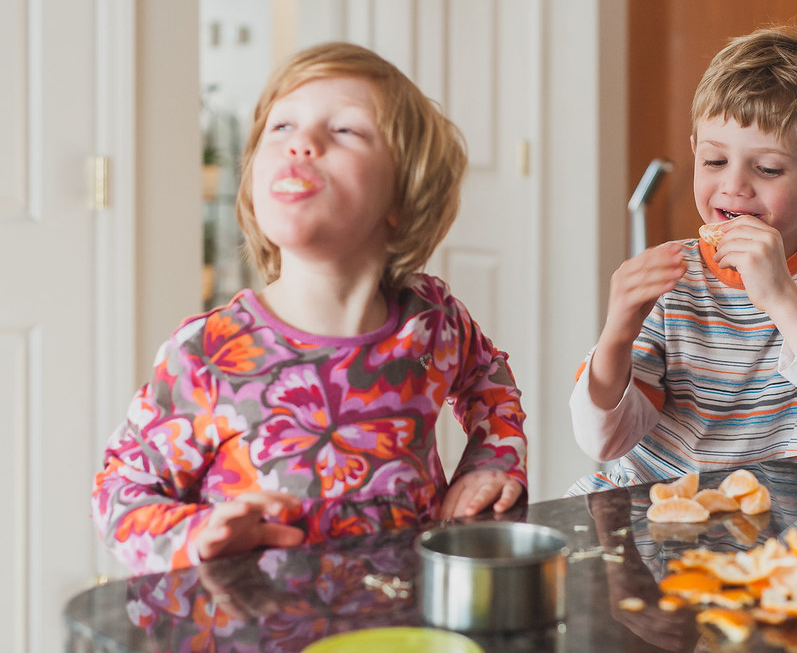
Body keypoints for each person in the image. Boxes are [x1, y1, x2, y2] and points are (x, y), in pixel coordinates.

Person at [92, 42, 528, 574]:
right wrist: (200, 535)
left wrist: (492, 464)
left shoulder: (431, 320)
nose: (302, 142)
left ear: (403, 196)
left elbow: (490, 380)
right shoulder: (208, 354)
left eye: (344, 130)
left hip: (402, 624)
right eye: (281, 127)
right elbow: (120, 494)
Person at [569, 26, 797, 494]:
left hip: (790, 520)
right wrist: (617, 335)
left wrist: (781, 297)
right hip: (666, 509)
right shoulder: (676, 276)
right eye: (714, 162)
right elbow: (604, 441)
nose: (734, 186)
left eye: (768, 168)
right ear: (694, 153)